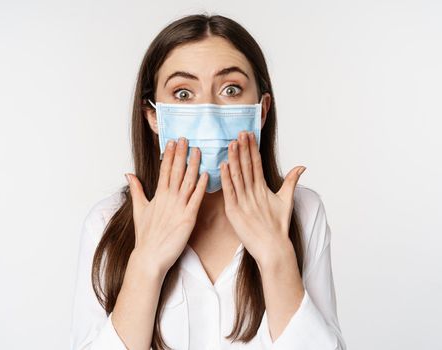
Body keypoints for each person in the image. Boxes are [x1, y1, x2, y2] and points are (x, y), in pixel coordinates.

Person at [70, 13, 347, 350]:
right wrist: (146, 263)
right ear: (153, 115)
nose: (209, 114)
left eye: (231, 89)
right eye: (183, 94)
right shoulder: (106, 222)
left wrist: (276, 255)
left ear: (261, 110)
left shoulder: (302, 212)